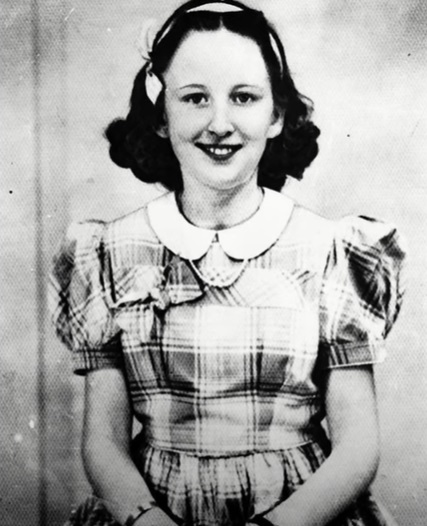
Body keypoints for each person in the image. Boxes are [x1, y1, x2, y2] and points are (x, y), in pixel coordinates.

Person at [49, 1, 406, 525]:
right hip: (152, 512)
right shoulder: (109, 252)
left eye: (244, 97)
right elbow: (103, 445)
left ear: (276, 115)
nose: (220, 124)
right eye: (195, 98)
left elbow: (358, 449)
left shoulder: (330, 250)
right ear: (162, 117)